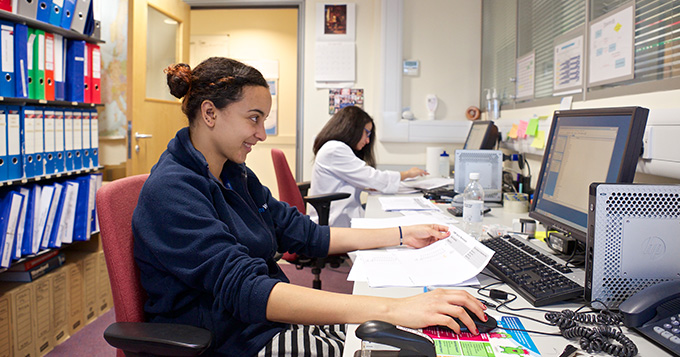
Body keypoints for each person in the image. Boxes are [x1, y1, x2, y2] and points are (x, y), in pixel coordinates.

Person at [132, 57, 487, 356]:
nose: (262, 133)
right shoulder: (172, 190)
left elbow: (307, 235)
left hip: (263, 324)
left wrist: (402, 233)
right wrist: (396, 308)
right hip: (233, 341)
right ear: (210, 113)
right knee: (392, 339)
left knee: (408, 342)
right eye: (253, 118)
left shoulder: (233, 174)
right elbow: (244, 290)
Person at [309, 106, 427, 227]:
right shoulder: (334, 149)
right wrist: (407, 174)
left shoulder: (336, 149)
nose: (367, 141)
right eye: (367, 133)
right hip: (333, 223)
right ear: (352, 128)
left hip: (343, 215)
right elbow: (372, 177)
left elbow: (365, 179)